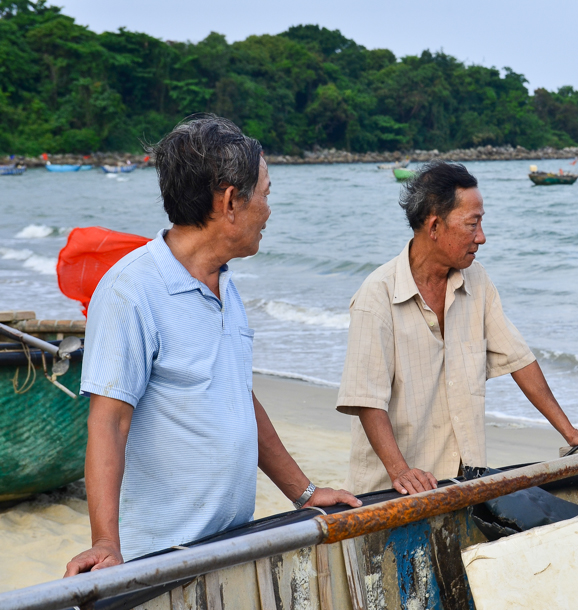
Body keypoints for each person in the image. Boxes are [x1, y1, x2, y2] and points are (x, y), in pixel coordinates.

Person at [65, 115, 360, 575]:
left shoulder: (224, 280)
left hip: (231, 544)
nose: (268, 207)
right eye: (265, 192)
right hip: (162, 557)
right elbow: (109, 424)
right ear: (229, 202)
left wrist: (303, 491)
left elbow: (236, 394)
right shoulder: (131, 289)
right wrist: (105, 541)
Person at [337, 161, 578, 495]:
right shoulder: (378, 295)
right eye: (472, 225)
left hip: (462, 480)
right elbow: (367, 399)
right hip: (390, 490)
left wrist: (570, 432)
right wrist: (400, 470)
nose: (482, 238)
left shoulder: (477, 279)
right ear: (434, 226)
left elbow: (519, 358)